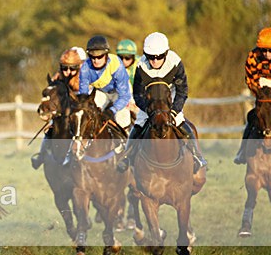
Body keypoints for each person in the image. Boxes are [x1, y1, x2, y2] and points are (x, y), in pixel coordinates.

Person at [118, 32, 206, 172]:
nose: (154, 61)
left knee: (179, 121)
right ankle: (126, 157)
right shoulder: (141, 65)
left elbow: (182, 91)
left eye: (159, 57)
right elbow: (138, 93)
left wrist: (174, 110)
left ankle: (197, 155)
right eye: (150, 57)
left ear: (166, 53)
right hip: (150, 100)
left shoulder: (175, 63)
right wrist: (147, 109)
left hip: (169, 96)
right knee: (140, 123)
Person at [31, 47, 85, 169]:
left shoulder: (85, 77)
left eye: (72, 68)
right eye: (64, 67)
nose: (67, 71)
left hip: (79, 111)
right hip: (63, 112)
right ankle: (41, 155)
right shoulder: (57, 77)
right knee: (50, 129)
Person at [78, 35, 132, 137]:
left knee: (122, 116)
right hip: (100, 92)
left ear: (106, 55)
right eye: (92, 57)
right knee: (88, 114)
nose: (96, 60)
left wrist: (112, 111)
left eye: (99, 56)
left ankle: (127, 141)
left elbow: (124, 96)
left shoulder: (116, 64)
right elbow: (83, 97)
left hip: (119, 92)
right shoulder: (85, 67)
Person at [234, 27, 271, 164]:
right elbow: (249, 80)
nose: (267, 54)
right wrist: (258, 89)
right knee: (252, 117)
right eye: (264, 50)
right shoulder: (253, 57)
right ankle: (242, 151)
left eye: (270, 50)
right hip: (263, 98)